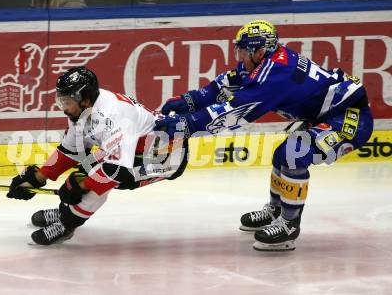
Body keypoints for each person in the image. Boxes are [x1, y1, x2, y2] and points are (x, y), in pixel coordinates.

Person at [155, 19, 373, 251]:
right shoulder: (267, 61)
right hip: (327, 115)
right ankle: (276, 211)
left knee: (292, 154)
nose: (239, 57)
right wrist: (190, 100)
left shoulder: (276, 75)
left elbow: (235, 111)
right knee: (283, 155)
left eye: (242, 51)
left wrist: (188, 123)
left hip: (349, 120)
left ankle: (289, 225)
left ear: (258, 51)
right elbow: (228, 84)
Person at [7, 66, 188, 245]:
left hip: (165, 157)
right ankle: (67, 211)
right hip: (136, 149)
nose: (63, 107)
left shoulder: (114, 115)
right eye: (61, 100)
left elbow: (116, 171)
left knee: (92, 177)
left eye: (66, 101)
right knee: (86, 172)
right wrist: (38, 177)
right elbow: (71, 151)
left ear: (84, 100)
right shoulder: (81, 110)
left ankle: (67, 223)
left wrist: (80, 187)